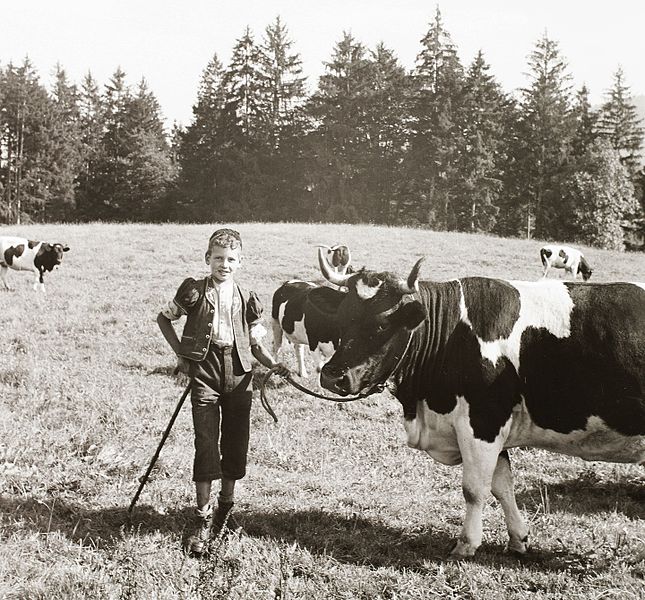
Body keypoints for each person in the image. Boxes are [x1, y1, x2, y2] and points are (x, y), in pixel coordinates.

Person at [157, 227, 289, 556]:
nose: (224, 264)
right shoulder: (193, 291)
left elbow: (257, 343)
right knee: (205, 440)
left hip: (240, 374)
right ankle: (201, 519)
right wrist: (182, 355)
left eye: (231, 259)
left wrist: (273, 364)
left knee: (235, 442)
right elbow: (164, 319)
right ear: (207, 259)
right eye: (218, 258)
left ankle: (224, 512)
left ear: (240, 262)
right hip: (205, 371)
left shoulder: (249, 300)